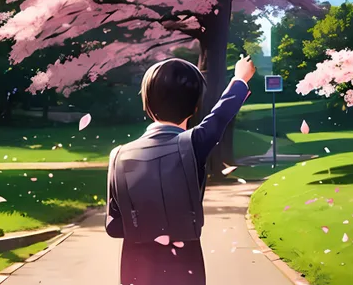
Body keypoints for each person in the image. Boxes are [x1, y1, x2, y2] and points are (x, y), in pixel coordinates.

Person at [105, 54, 256, 285]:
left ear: (146, 102)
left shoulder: (119, 155)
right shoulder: (191, 145)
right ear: (195, 106)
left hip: (135, 268)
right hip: (184, 265)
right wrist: (239, 79)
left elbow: (114, 226)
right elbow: (219, 116)